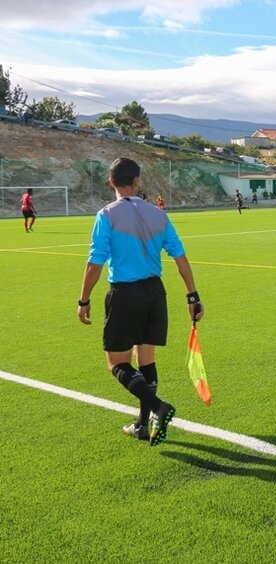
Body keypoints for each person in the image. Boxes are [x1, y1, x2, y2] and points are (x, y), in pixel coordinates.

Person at [76, 157, 203, 446]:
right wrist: (192, 296)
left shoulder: (107, 214)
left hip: (125, 293)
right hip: (155, 293)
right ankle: (142, 425)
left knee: (117, 363)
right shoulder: (159, 214)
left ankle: (158, 407)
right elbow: (180, 258)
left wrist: (84, 300)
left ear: (111, 183)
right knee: (145, 359)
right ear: (138, 181)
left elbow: (95, 263)